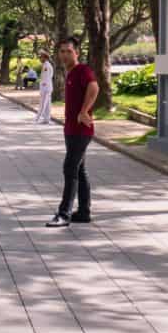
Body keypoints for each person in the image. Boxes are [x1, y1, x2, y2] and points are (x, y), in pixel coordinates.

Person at [46, 37, 99, 227]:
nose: (65, 54)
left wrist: (84, 111)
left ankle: (64, 214)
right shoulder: (70, 73)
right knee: (80, 170)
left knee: (69, 168)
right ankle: (84, 212)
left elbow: (94, 87)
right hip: (71, 130)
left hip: (81, 130)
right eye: (62, 51)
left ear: (77, 52)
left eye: (69, 51)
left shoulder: (82, 70)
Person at [34, 50, 54, 124]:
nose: (40, 59)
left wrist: (43, 86)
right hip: (47, 87)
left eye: (41, 57)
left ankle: (38, 118)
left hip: (46, 88)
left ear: (45, 58)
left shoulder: (46, 66)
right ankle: (46, 119)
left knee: (43, 103)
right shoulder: (45, 65)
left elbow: (46, 78)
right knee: (47, 104)